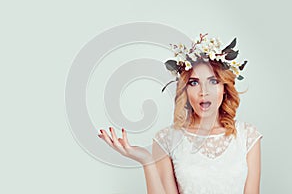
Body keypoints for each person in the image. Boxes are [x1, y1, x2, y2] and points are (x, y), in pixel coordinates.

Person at [97, 33, 262, 194]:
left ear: (225, 88)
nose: (204, 91)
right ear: (185, 90)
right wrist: (147, 160)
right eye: (194, 82)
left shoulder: (247, 136)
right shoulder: (166, 140)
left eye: (213, 81)